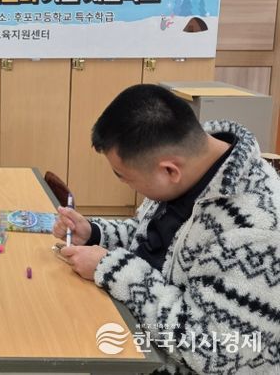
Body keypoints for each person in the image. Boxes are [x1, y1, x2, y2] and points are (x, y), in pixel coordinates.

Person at [54, 84, 280, 374]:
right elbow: (150, 236)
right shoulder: (194, 162)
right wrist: (94, 233)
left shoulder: (257, 231)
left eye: (124, 177)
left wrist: (112, 268)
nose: (125, 184)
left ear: (170, 171)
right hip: (143, 338)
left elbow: (210, 351)